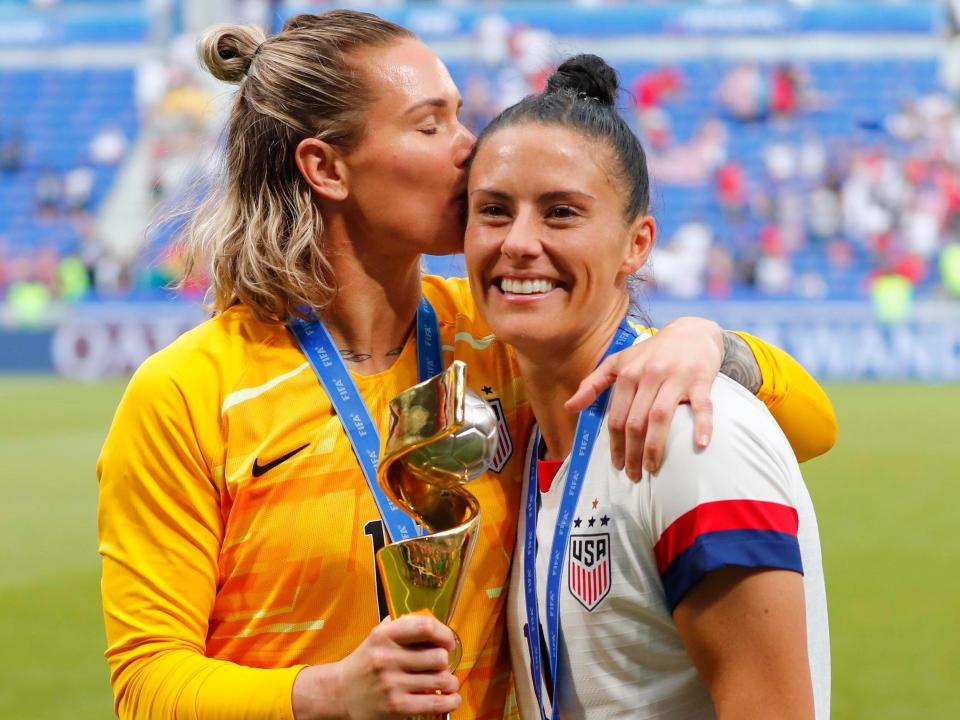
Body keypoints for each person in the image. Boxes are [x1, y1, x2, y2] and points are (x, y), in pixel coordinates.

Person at [97, 12, 835, 720]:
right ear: (326, 167)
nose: (469, 146)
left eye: (460, 115)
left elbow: (807, 427)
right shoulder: (189, 393)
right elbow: (146, 685)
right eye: (431, 125)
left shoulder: (499, 336)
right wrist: (326, 696)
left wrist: (705, 343)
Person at [463, 56, 829, 719]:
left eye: (561, 213)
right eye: (492, 210)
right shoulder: (533, 440)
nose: (518, 242)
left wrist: (717, 341)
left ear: (637, 245)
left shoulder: (690, 434)